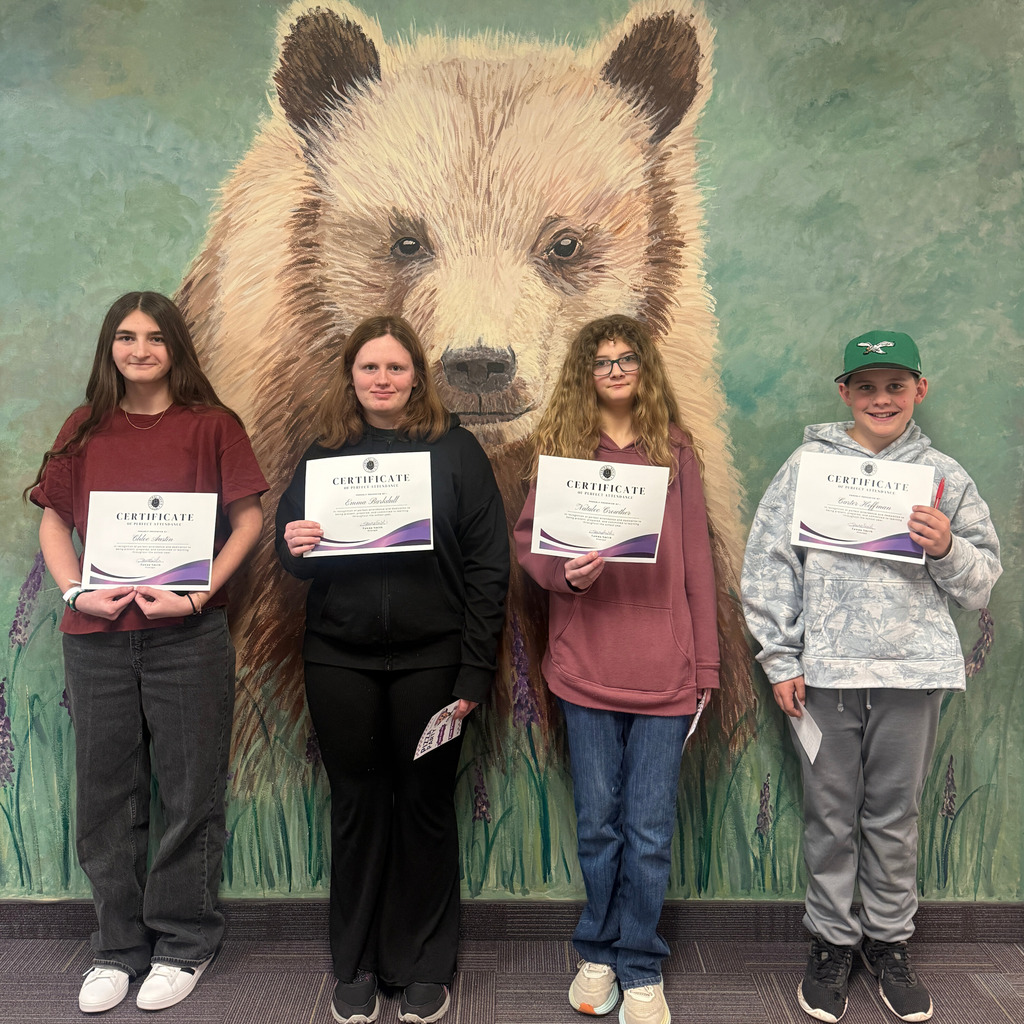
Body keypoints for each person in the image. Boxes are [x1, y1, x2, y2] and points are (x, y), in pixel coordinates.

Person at [741, 330, 1002, 1024]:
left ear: (920, 389)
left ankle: (888, 942)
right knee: (830, 817)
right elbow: (769, 567)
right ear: (844, 393)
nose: (880, 399)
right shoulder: (807, 467)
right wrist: (780, 658)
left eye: (894, 385)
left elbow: (981, 584)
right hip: (824, 678)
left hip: (912, 678)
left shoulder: (945, 477)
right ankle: (831, 943)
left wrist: (946, 547)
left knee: (894, 817)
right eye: (866, 386)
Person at [27, 292, 267, 1013]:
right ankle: (116, 949)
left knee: (190, 793)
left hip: (187, 637)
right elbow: (54, 522)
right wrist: (75, 594)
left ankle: (185, 943)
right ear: (110, 348)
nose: (139, 350)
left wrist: (197, 598)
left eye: (155, 338)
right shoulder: (84, 427)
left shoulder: (213, 425)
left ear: (176, 348)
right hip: (97, 639)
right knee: (106, 796)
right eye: (126, 338)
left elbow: (249, 520)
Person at [275, 315, 509, 1024]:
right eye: (370, 368)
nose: (383, 380)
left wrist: (473, 675)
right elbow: (291, 554)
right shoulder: (324, 454)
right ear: (351, 376)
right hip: (339, 660)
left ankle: (423, 964)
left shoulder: (457, 451)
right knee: (357, 806)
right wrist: (295, 543)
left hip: (433, 665)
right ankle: (357, 962)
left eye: (396, 368)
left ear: (417, 376)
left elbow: (488, 568)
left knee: (426, 808)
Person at [514, 314, 720, 1024]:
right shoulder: (561, 453)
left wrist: (707, 669)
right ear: (584, 373)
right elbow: (529, 550)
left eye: (627, 357)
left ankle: (640, 965)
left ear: (645, 367)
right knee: (599, 825)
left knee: (650, 830)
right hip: (584, 670)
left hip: (666, 674)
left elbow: (697, 565)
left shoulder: (677, 453)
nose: (615, 369)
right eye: (601, 360)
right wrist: (564, 574)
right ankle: (596, 952)